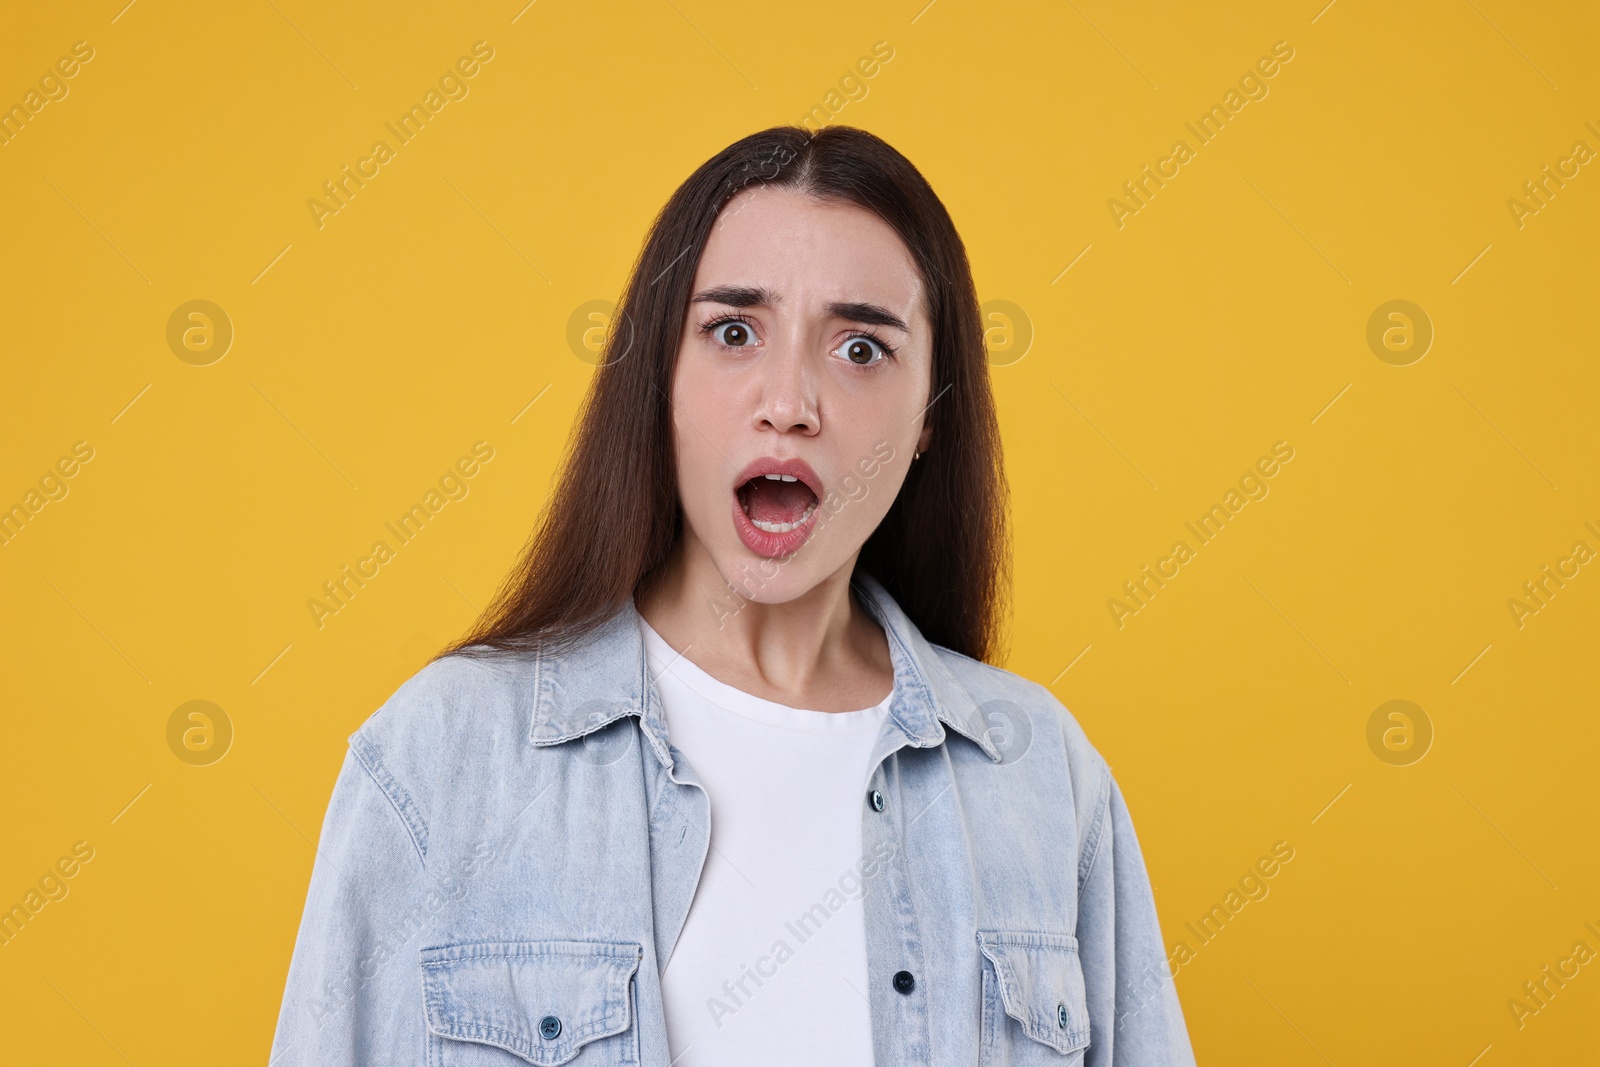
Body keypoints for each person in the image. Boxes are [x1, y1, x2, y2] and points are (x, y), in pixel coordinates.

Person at [269, 124, 1195, 1067]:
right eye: (734, 331)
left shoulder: (1042, 778)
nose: (789, 400)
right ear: (657, 377)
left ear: (930, 419)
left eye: (863, 349)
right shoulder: (441, 759)